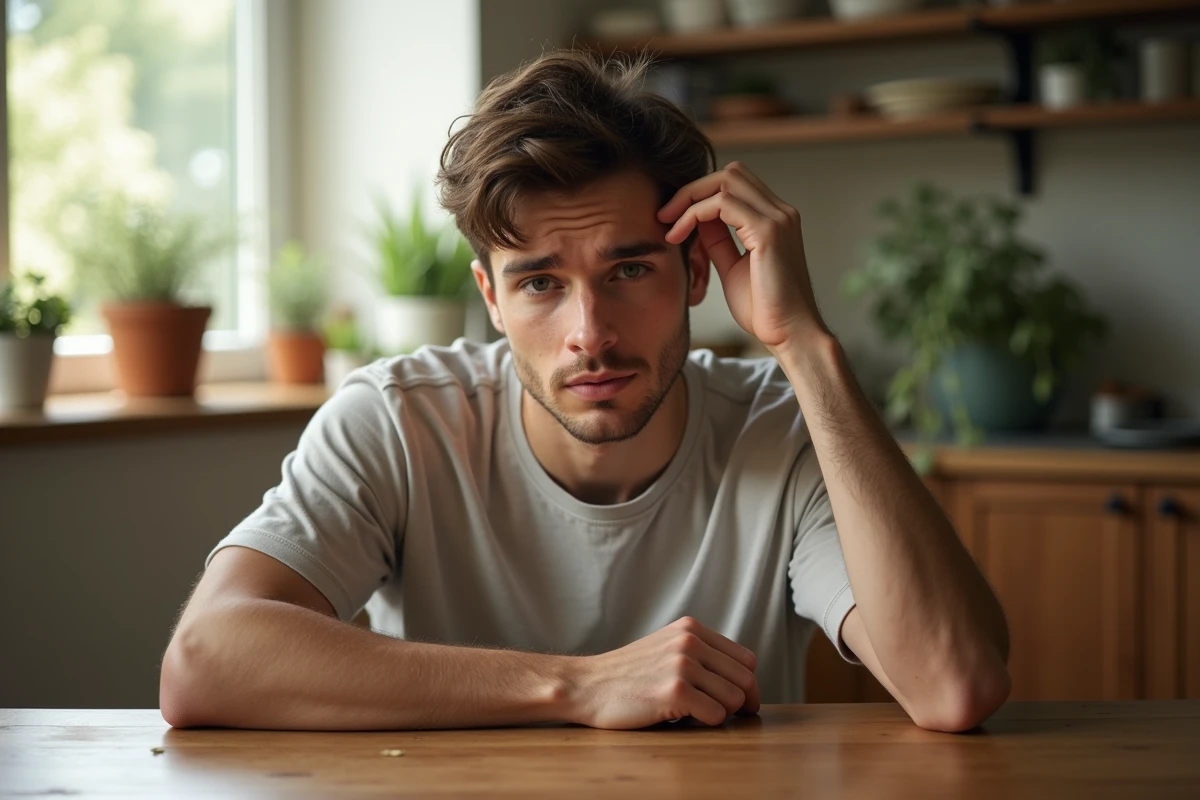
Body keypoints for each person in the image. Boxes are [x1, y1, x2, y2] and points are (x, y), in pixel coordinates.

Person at [159, 51, 1010, 733]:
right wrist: (577, 686)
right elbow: (207, 659)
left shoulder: (784, 426)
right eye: (538, 284)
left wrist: (805, 347)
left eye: (629, 269)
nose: (589, 331)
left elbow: (953, 686)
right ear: (489, 298)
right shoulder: (399, 418)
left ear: (695, 271)